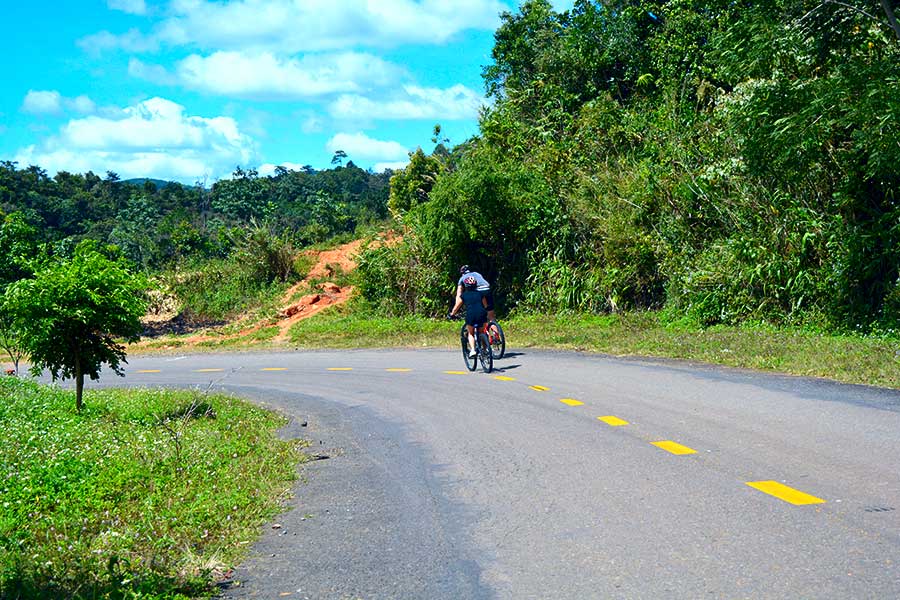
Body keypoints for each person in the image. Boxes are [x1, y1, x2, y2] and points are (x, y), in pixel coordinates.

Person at [449, 276, 488, 358]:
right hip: (482, 314)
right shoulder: (481, 294)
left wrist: (452, 314)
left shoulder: (464, 295)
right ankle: (485, 350)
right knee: (482, 332)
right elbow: (485, 305)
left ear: (466, 286)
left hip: (471, 315)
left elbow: (457, 307)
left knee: (471, 333)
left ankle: (473, 350)